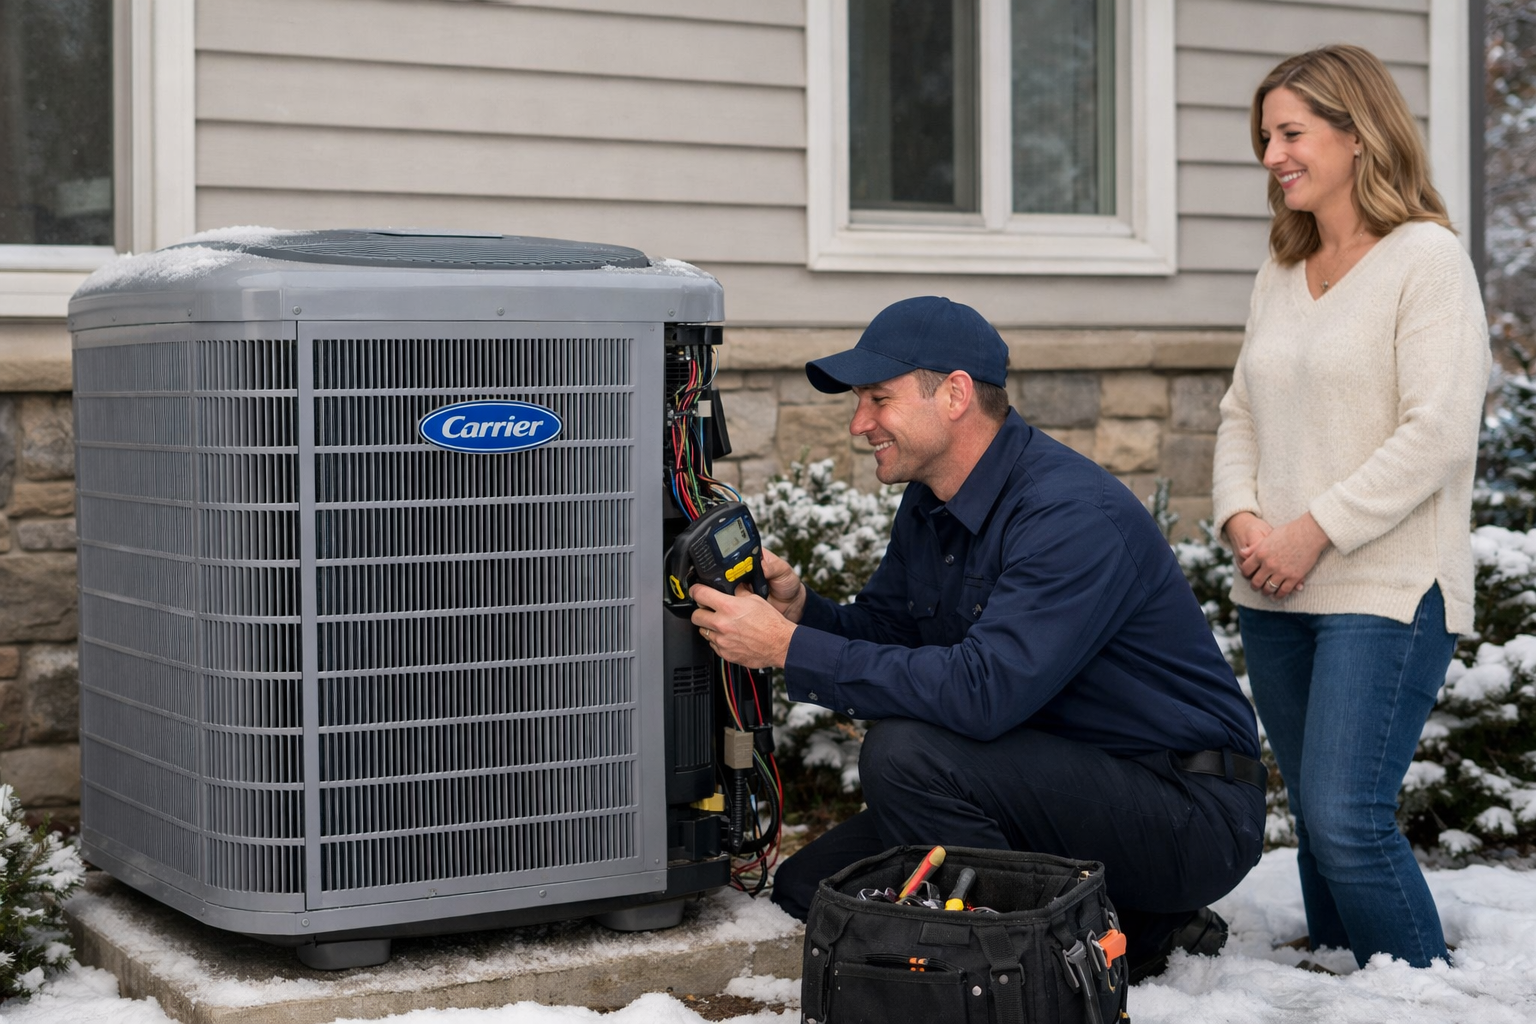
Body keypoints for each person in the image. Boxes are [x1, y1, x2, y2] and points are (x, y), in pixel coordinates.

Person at [690, 295, 1265, 978]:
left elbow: (982, 694)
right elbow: (893, 634)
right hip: (1047, 780)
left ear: (955, 394)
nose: (859, 423)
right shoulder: (932, 500)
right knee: (810, 890)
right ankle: (1137, 922)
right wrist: (801, 615)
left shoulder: (1068, 514)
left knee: (903, 755)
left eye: (878, 399)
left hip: (1181, 809)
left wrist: (786, 651)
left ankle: (1037, 962)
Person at [1211, 45, 1490, 969]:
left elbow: (1439, 431)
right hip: (1277, 587)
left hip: (1388, 584)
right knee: (1320, 828)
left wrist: (1311, 530)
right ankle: (1346, 981)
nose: (1272, 155)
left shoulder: (1428, 261)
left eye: (1291, 133)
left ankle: (1421, 993)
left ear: (1359, 133)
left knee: (1347, 818)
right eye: (1265, 137)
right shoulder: (1281, 267)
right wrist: (1244, 521)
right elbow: (1240, 411)